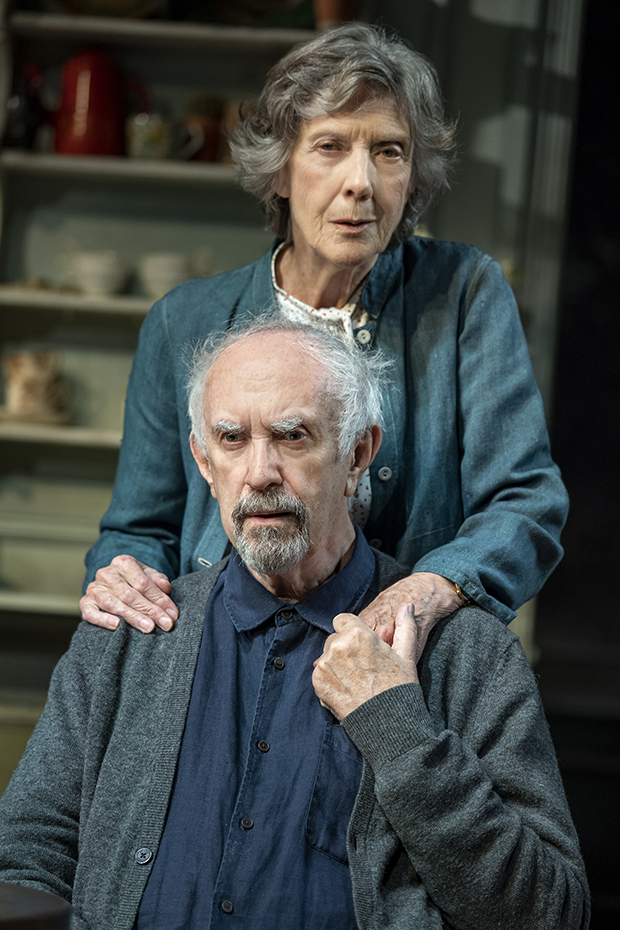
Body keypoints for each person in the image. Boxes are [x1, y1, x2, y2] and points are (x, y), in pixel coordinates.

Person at [0, 320, 588, 930]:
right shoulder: (127, 635)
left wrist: (399, 733)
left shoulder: (467, 654)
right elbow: (24, 860)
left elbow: (549, 913)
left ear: (358, 454)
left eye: (291, 436)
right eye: (232, 439)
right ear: (203, 460)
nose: (259, 474)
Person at [79, 23, 569, 654]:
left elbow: (526, 503)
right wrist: (123, 574)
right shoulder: (184, 320)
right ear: (281, 171)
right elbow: (138, 529)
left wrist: (430, 587)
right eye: (331, 146)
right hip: (224, 652)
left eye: (389, 151)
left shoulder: (465, 290)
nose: (360, 181)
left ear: (412, 175)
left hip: (404, 654)